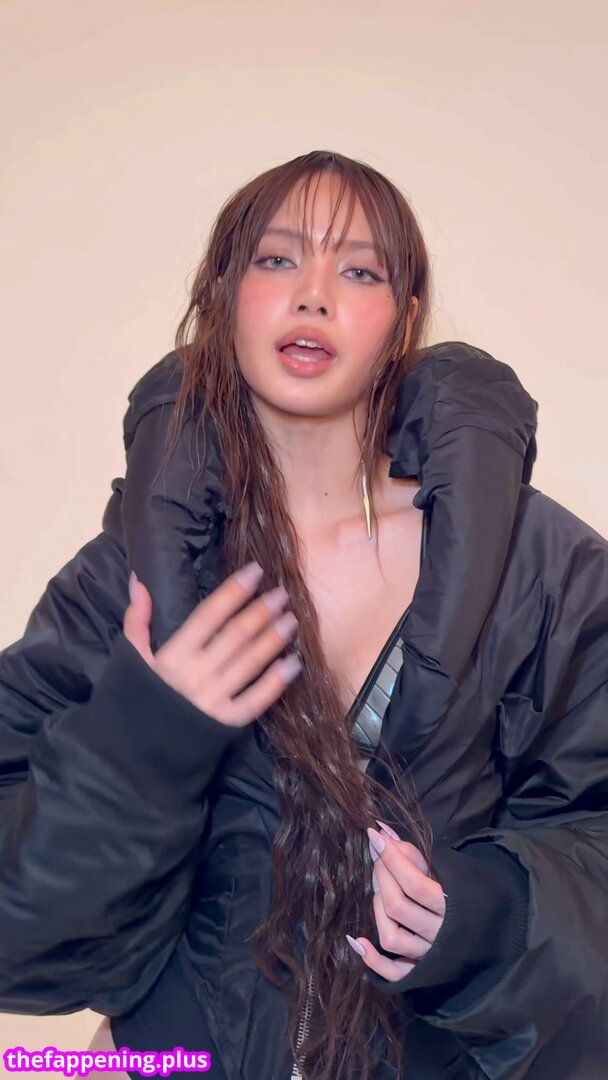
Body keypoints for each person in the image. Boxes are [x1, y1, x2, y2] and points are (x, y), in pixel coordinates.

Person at [0, 150, 606, 1080]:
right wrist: (145, 737)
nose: (313, 295)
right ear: (222, 298)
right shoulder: (135, 576)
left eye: (359, 272)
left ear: (403, 323)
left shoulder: (539, 566)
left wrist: (489, 911)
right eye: (278, 260)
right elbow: (20, 929)